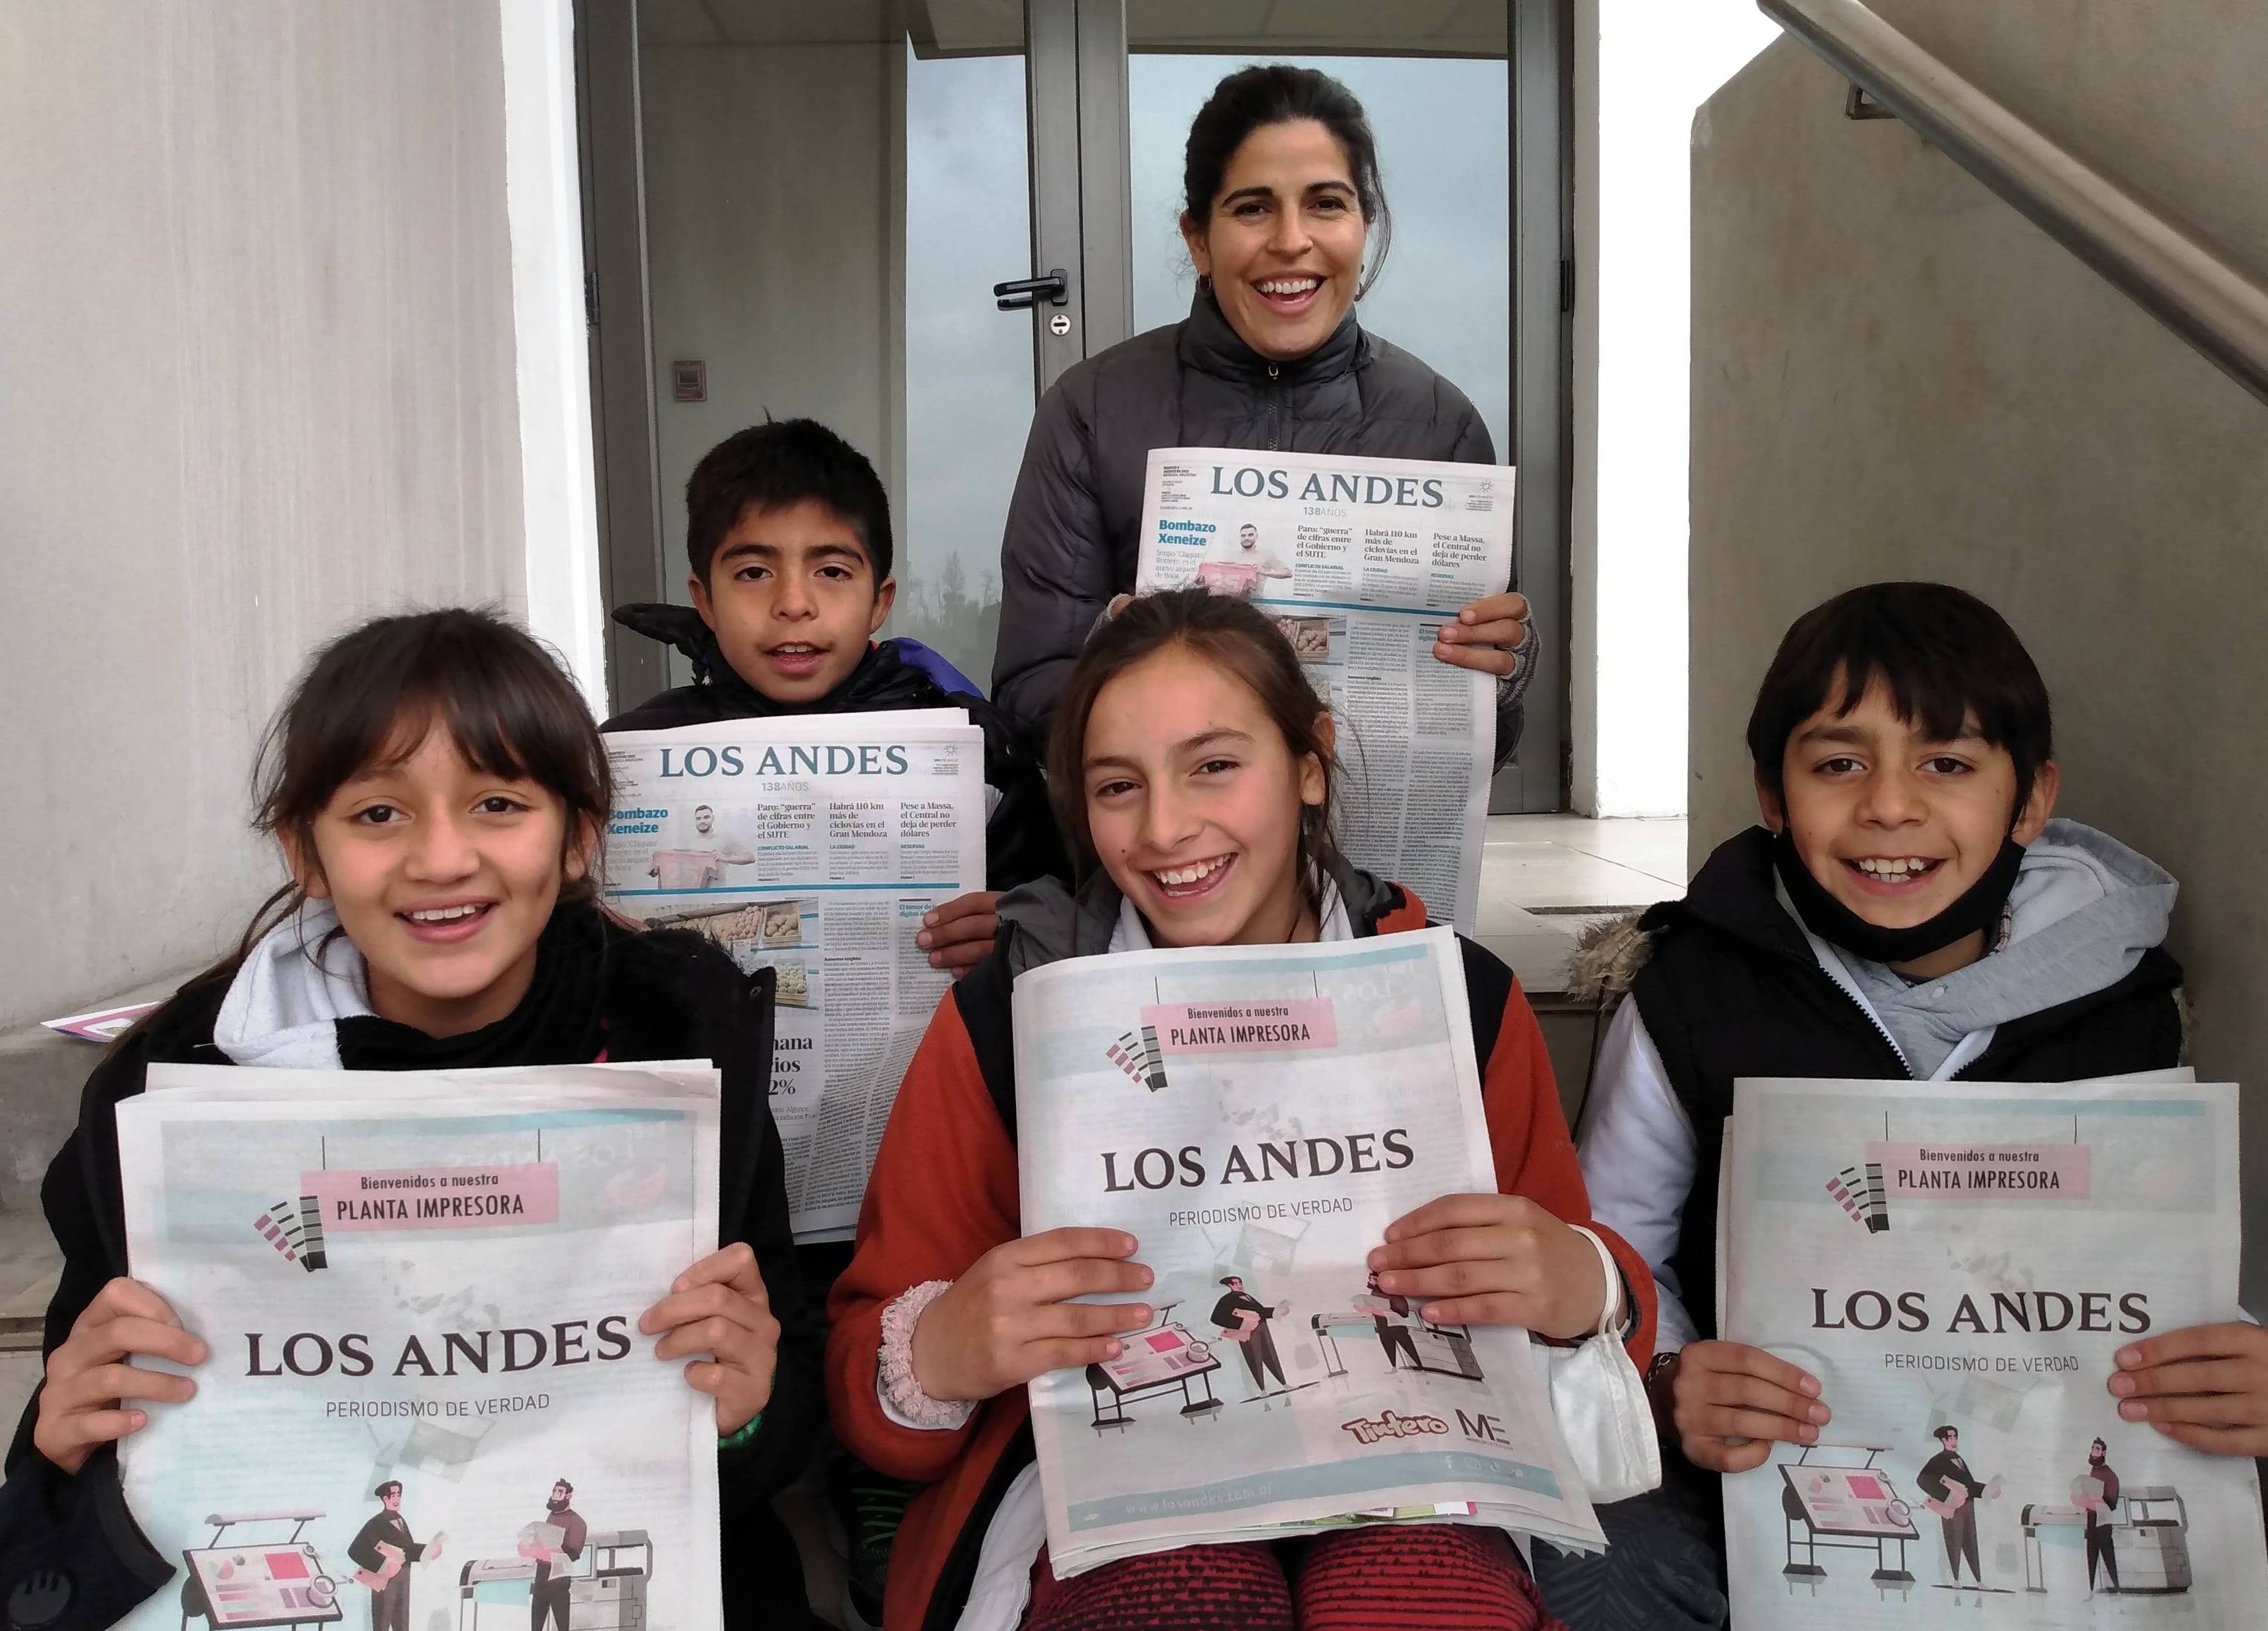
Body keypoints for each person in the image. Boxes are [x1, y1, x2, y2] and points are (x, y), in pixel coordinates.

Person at [828, 588, 1653, 1631]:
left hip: (1409, 1453)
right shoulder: (1012, 1015)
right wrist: (941, 1347)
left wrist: (1579, 1279)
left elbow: (1587, 1302)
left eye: (1214, 764)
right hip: (1105, 1484)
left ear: (1309, 765)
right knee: (1179, 1594)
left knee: (1411, 1597)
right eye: (1117, 785)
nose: (1167, 827)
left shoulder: (1453, 996)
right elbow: (870, 1378)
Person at [1, 609, 823, 1631]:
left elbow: (782, 1401)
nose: (441, 859)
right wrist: (61, 1427)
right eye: (378, 814)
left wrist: (745, 1414)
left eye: (495, 801)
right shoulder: (179, 1085)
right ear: (307, 848)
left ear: (576, 835)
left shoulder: (683, 1041)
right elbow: (90, 1417)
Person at [1571, 582, 2193, 1627]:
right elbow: (1612, 1240)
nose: (1889, 806)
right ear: (1771, 795)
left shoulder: (2123, 1007)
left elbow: (2154, 1271)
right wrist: (1676, 1374)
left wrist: (2217, 1362)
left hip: (2031, 1452)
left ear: (2030, 799)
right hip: (1748, 1454)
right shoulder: (1691, 989)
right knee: (1596, 1565)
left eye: (1946, 763)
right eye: (1836, 763)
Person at [990, 65, 1535, 759]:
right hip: (1157, 856)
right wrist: (1114, 661)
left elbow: (1483, 741)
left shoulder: (1442, 424)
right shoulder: (1090, 409)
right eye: (1252, 207)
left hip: (1360, 862)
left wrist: (1505, 672)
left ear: (1363, 226)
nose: (1290, 240)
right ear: (1198, 239)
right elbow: (1028, 692)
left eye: (1326, 204)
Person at [608, 418, 1067, 979]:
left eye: (831, 570)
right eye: (754, 572)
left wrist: (1016, 931)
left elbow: (1058, 906)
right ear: (704, 600)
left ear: (879, 601)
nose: (794, 602)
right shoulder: (635, 755)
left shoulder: (977, 751)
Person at [347, 1481, 442, 1631]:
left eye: (399, 1494)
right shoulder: (376, 1523)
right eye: (393, 1495)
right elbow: (355, 1550)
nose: (397, 1498)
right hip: (385, 1580)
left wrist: (429, 1551)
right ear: (385, 1499)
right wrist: (383, 1564)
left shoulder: (400, 1519)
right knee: (382, 1623)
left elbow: (408, 1549)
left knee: (402, 1623)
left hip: (404, 1577)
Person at [1916, 1426, 1990, 1586]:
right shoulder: (1938, 1460)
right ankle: (1956, 1579)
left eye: (1955, 1436)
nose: (1954, 1440)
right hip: (1952, 1507)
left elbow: (1969, 1484)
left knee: (1971, 1542)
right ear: (1943, 1440)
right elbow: (1923, 1480)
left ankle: (1978, 1580)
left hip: (1968, 1506)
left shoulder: (1960, 1460)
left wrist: (1986, 1490)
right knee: (1954, 1541)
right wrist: (1946, 1497)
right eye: (1950, 1437)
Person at [522, 1479, 589, 1631]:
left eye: (560, 1492)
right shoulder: (552, 1516)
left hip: (559, 1576)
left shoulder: (577, 1521)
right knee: (536, 1624)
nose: (556, 1495)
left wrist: (554, 1542)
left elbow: (573, 1554)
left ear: (568, 1496)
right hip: (542, 1575)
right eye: (554, 1491)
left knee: (561, 1624)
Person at [1213, 1274, 1289, 1393]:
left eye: (1240, 1282)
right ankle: (1263, 1390)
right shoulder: (1227, 1300)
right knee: (1254, 1358)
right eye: (1236, 1283)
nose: (1239, 1285)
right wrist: (1241, 1324)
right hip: (1247, 1332)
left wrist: (1277, 1311)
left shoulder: (1247, 1296)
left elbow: (1261, 1311)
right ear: (1229, 1286)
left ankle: (1284, 1384)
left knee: (1271, 1355)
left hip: (1262, 1328)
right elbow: (1216, 1318)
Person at [2078, 1437, 2121, 1593]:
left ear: (2104, 1453)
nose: (2093, 1453)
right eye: (2092, 1449)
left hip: (2103, 1520)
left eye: (2097, 1449)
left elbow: (2111, 1501)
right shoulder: (2093, 1472)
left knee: (2108, 1555)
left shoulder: (2110, 1475)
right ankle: (2090, 1588)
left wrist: (2094, 1500)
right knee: (2091, 1554)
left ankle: (2116, 1587)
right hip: (2091, 1519)